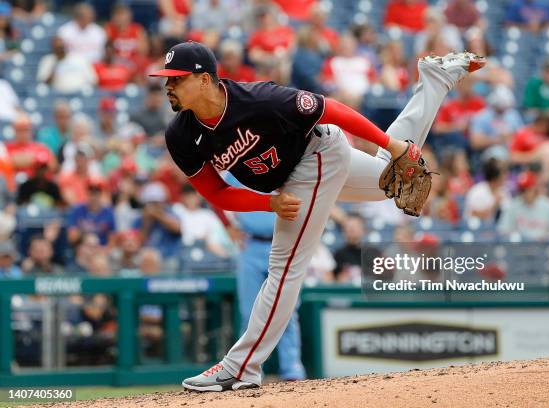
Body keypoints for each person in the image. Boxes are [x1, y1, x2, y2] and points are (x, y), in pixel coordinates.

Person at [149, 41, 485, 391]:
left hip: (317, 153)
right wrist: (269, 204)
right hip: (296, 175)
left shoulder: (259, 100)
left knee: (284, 266)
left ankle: (240, 367)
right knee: (391, 181)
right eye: (167, 79)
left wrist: (390, 144)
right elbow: (216, 193)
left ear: (204, 80)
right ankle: (434, 79)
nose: (168, 85)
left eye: (176, 78)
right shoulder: (181, 135)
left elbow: (331, 109)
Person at [233, 210, 306, 381]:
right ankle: (247, 369)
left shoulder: (289, 181)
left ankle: (292, 369)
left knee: (287, 310)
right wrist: (227, 225)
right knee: (249, 313)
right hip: (251, 245)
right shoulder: (239, 181)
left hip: (285, 243)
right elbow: (215, 191)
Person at [497, 170, 549, 241]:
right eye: (521, 190)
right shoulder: (513, 205)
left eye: (526, 189)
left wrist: (546, 237)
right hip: (520, 248)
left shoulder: (548, 204)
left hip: (543, 247)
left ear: (534, 188)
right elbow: (502, 230)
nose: (524, 193)